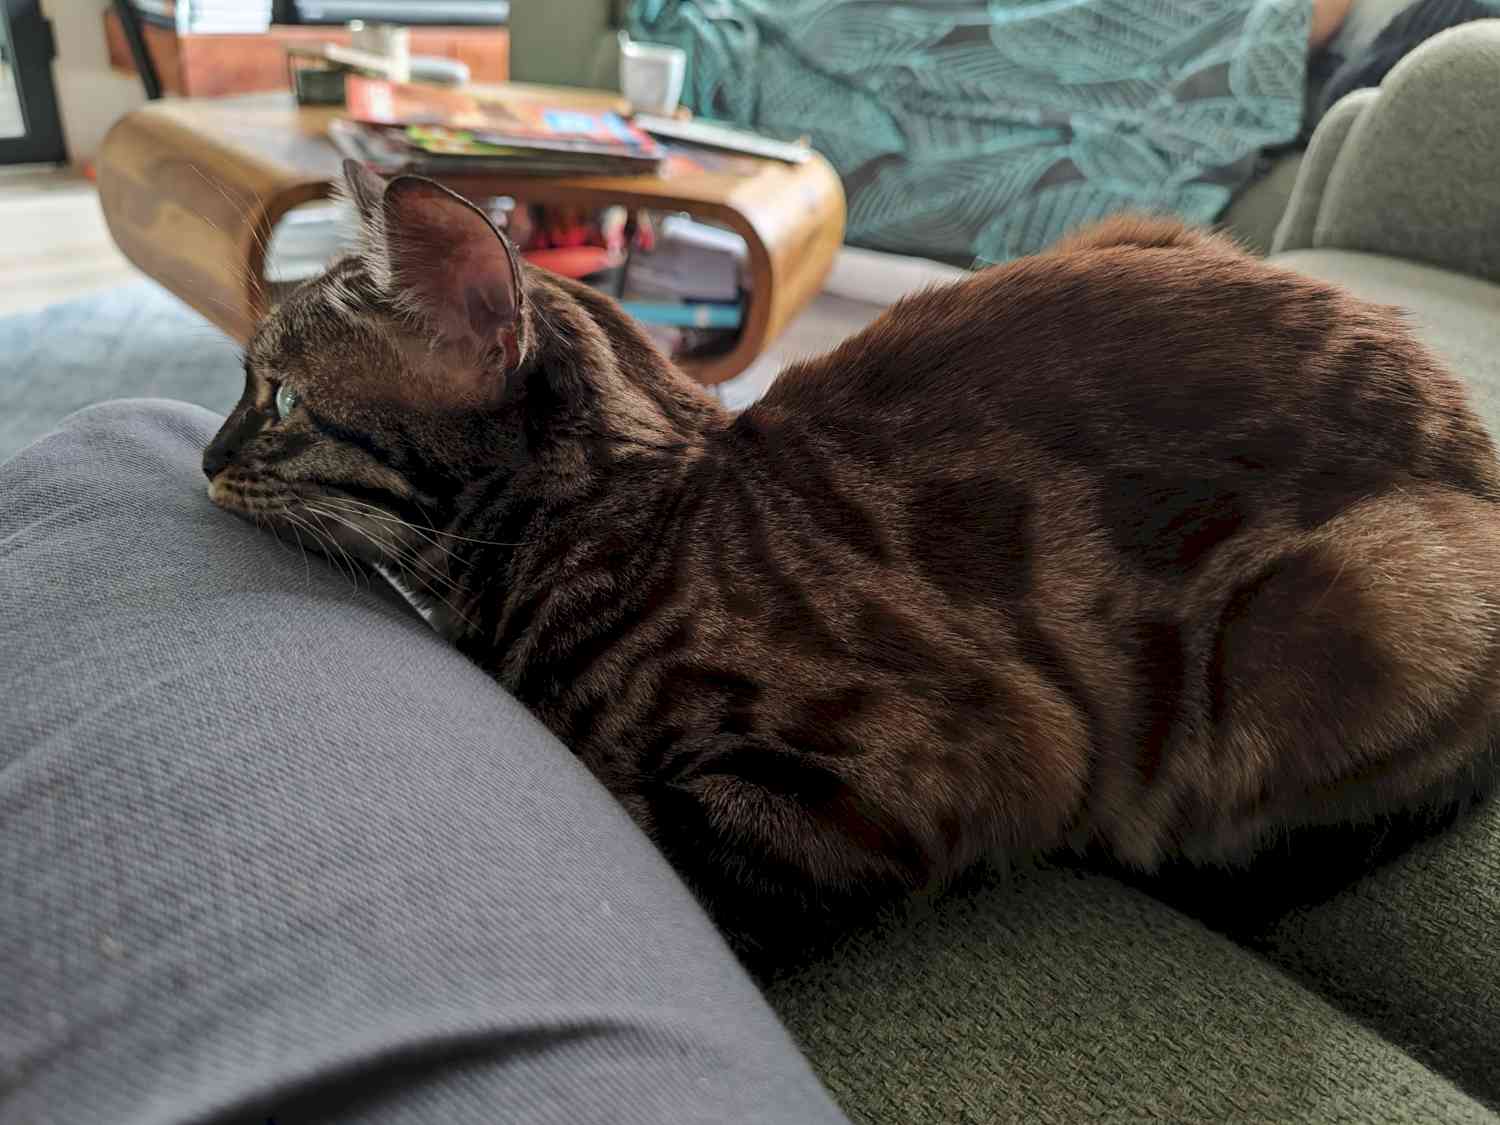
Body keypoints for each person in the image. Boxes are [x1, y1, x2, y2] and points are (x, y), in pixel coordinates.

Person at [0, 399, 849, 1124]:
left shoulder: (676, 598)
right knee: (137, 437)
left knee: (131, 437)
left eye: (289, 402)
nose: (219, 454)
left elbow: (824, 818)